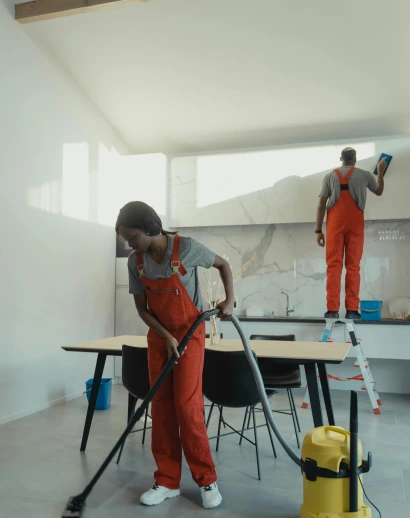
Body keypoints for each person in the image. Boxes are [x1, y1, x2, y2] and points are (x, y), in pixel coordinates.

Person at [115, 201, 234, 509]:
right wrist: (166, 337)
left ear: (148, 227)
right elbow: (142, 309)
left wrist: (229, 299)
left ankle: (206, 480)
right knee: (162, 408)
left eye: (131, 237)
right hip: (160, 338)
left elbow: (223, 264)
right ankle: (167, 481)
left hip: (190, 335)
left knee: (187, 407)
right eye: (126, 239)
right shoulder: (135, 262)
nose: (130, 244)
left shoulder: (187, 248)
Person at [316, 148, 387, 319]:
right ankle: (352, 310)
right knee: (353, 267)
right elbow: (379, 191)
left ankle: (332, 310)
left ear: (340, 158)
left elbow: (321, 205)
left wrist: (318, 230)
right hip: (355, 224)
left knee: (333, 267)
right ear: (355, 159)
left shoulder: (329, 176)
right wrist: (380, 171)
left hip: (334, 224)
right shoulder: (364, 175)